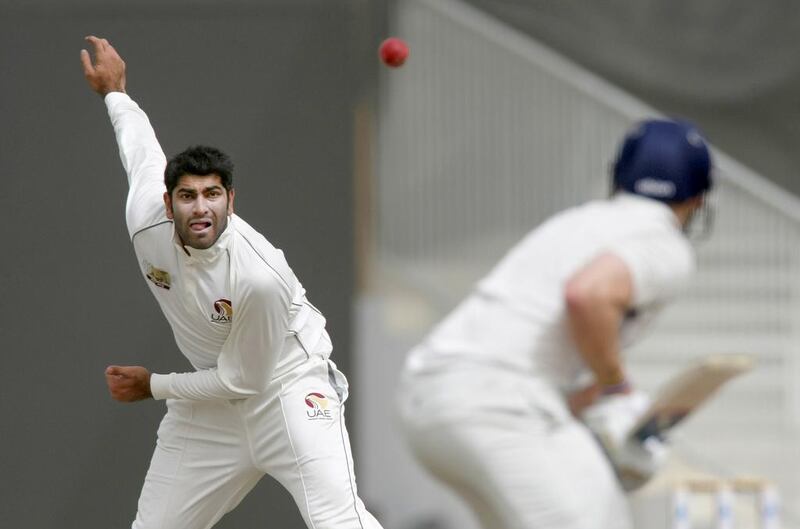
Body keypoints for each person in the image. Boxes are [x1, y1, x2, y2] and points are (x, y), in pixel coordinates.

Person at [80, 35, 383, 529]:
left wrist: (154, 385)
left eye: (213, 195)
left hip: (286, 388)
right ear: (167, 203)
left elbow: (246, 380)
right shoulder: (145, 221)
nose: (201, 207)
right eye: (188, 196)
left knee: (338, 522)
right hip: (212, 403)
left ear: (230, 201)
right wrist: (115, 92)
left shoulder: (260, 276)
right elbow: (139, 150)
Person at [397, 118, 714, 529]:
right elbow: (589, 296)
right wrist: (619, 390)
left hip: (427, 400)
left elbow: (541, 340)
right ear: (697, 199)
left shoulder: (576, 223)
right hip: (498, 404)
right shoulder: (664, 243)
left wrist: (604, 411)